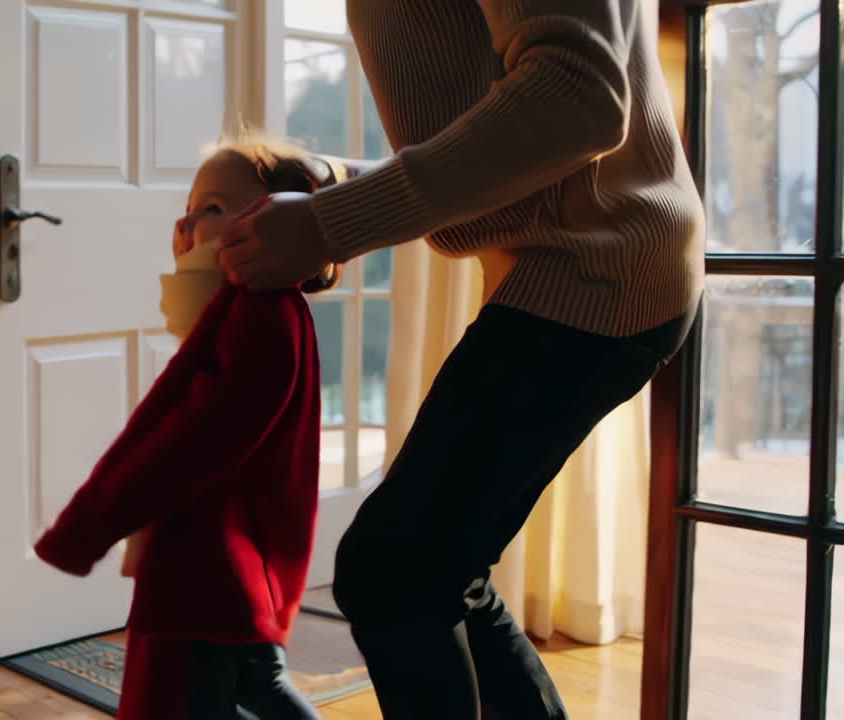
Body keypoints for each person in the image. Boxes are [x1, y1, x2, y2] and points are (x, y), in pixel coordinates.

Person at [219, 2, 703, 718]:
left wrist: (331, 224)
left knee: (391, 574)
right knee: (433, 570)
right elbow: (492, 121)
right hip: (568, 266)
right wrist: (339, 181)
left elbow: (580, 97)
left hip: (598, 269)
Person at [34, 131, 343, 719]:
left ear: (278, 226)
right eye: (189, 209)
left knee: (206, 693)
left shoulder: (262, 314)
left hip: (216, 562)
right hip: (220, 559)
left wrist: (100, 515)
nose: (186, 224)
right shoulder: (241, 310)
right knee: (255, 681)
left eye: (214, 210)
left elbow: (197, 442)